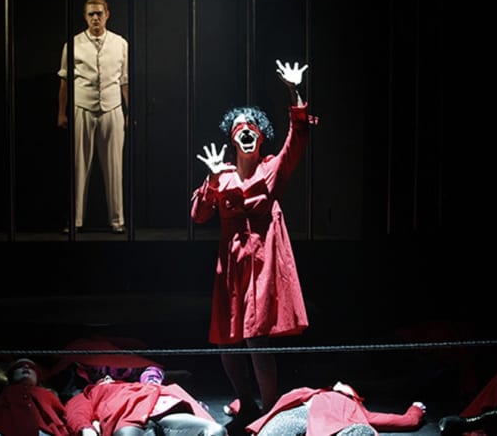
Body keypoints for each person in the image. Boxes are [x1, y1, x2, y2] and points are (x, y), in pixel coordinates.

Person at [191, 60, 316, 428]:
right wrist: (212, 181)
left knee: (256, 339)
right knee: (226, 340)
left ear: (261, 137)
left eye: (252, 128)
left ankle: (270, 410)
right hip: (231, 269)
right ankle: (246, 403)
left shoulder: (271, 169)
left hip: (262, 265)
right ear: (233, 139)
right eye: (239, 128)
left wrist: (294, 91)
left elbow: (299, 136)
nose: (246, 131)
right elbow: (199, 215)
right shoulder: (223, 173)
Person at [58, 0, 129, 234]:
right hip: (83, 108)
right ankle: (75, 220)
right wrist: (61, 113)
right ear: (85, 17)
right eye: (91, 14)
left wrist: (128, 111)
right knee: (79, 167)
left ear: (107, 14)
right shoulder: (73, 44)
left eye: (99, 13)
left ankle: (117, 220)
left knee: (114, 167)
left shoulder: (120, 43)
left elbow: (124, 81)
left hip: (112, 108)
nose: (95, 18)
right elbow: (64, 82)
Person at [64, 365, 227, 436]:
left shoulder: (142, 386)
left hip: (161, 410)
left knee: (215, 431)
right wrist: (87, 430)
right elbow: (76, 413)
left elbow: (160, 375)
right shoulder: (90, 393)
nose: (107, 376)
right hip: (125, 420)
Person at [246, 381, 426, 436]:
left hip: (328, 427)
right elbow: (274, 406)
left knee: (361, 432)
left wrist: (416, 410)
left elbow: (402, 421)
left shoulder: (355, 406)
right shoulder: (309, 393)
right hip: (298, 414)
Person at [0, 358, 69, 436]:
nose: (26, 367)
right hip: (0, 427)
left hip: (41, 431)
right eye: (19, 366)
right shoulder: (0, 393)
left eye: (31, 367)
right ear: (11, 375)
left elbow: (63, 416)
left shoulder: (48, 395)